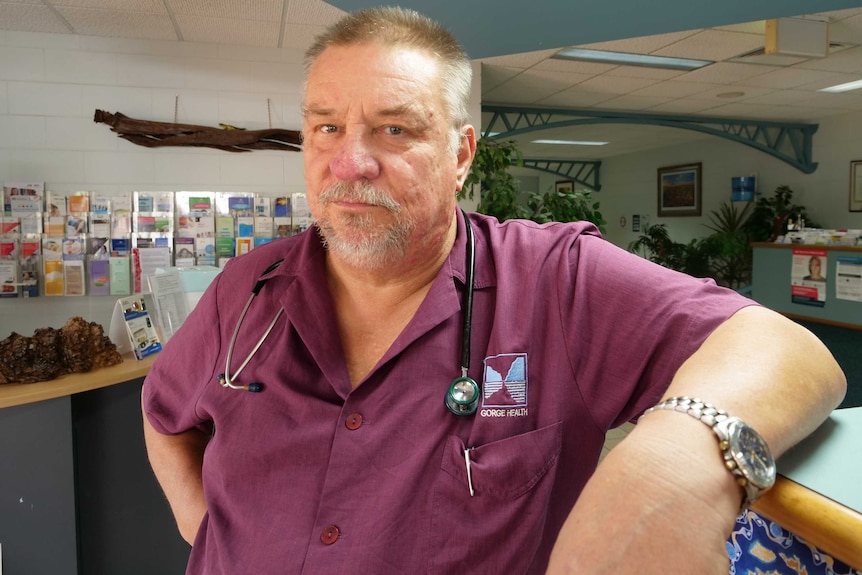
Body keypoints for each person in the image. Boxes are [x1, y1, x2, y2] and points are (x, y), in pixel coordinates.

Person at [141, 7, 846, 575]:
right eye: (327, 127)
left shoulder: (553, 283)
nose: (350, 162)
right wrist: (212, 538)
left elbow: (785, 347)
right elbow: (164, 416)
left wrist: (673, 463)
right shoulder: (248, 290)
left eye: (394, 129)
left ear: (461, 153)